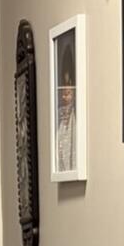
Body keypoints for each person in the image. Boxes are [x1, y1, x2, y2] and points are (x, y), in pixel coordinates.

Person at [56, 39, 77, 171]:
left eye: (68, 93)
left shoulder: (76, 119)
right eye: (63, 94)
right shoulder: (60, 120)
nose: (65, 97)